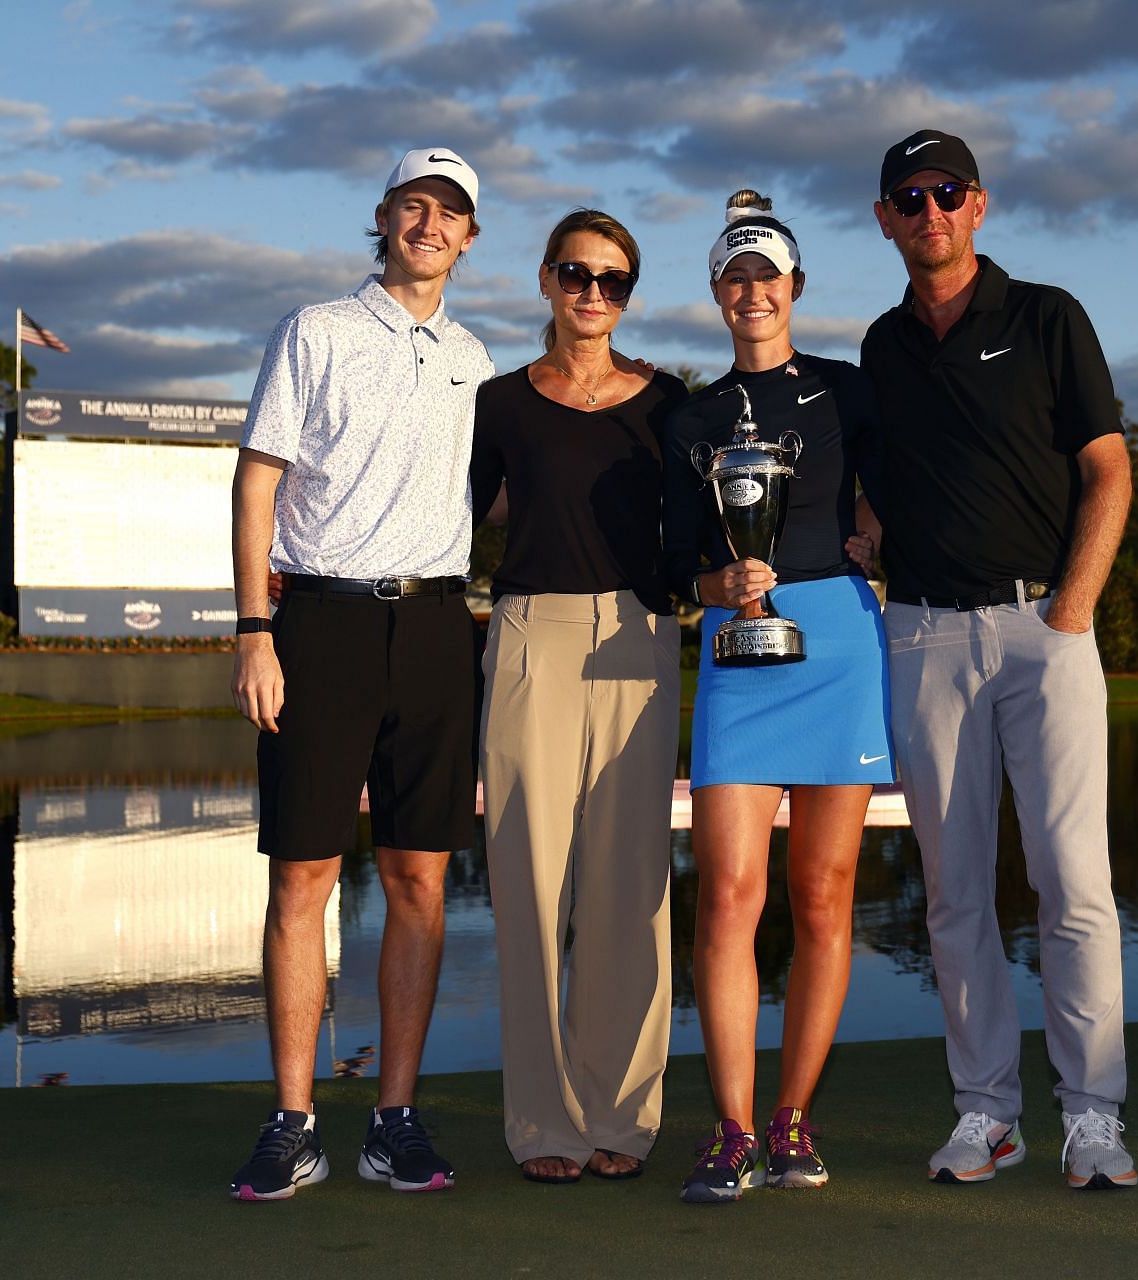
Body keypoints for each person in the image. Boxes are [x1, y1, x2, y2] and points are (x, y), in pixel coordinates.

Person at [859, 130, 1138, 1189]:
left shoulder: (1047, 316)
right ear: (884, 219)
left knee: (1074, 884)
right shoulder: (883, 348)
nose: (928, 210)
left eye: (946, 192)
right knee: (953, 891)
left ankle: (1093, 1115)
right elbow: (880, 483)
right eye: (907, 197)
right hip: (924, 633)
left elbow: (1108, 472)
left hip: (1044, 629)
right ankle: (987, 1112)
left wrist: (1071, 611)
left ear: (977, 206)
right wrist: (862, 527)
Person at [226, 146, 493, 1201]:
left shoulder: (475, 357)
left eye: (451, 213)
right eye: (414, 206)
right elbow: (258, 484)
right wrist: (254, 627)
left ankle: (395, 1117)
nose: (431, 225)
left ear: (471, 237)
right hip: (321, 625)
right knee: (302, 875)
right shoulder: (316, 330)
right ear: (383, 218)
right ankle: (294, 1120)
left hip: (437, 629)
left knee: (420, 878)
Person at [661, 191, 893, 1204]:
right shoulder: (691, 417)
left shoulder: (848, 391)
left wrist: (880, 529)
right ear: (717, 292)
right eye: (734, 275)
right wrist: (710, 584)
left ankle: (792, 1116)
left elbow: (898, 478)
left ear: (795, 286)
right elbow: (671, 550)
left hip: (838, 638)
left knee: (826, 891)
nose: (752, 290)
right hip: (735, 650)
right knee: (727, 895)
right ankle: (732, 1124)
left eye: (768, 274)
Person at [471, 208, 689, 1186]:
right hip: (529, 639)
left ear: (629, 294)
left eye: (613, 279)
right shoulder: (501, 402)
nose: (593, 292)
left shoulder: (671, 402)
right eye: (576, 272)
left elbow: (703, 526)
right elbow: (448, 522)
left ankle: (622, 1115)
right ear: (549, 279)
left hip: (640, 639)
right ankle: (542, 1121)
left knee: (629, 892)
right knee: (527, 887)